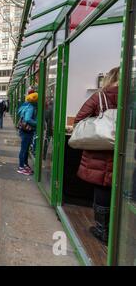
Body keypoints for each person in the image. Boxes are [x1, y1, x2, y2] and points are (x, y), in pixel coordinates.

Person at [74, 67, 119, 244]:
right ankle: (118, 227)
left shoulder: (99, 97)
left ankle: (102, 229)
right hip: (124, 152)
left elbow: (79, 121)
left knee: (102, 187)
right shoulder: (129, 96)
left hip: (100, 152)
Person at [17, 92, 38, 176]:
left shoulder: (25, 105)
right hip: (27, 131)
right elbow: (27, 119)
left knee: (24, 149)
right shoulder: (31, 107)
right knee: (24, 149)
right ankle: (21, 167)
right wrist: (37, 123)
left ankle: (24, 165)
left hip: (23, 130)